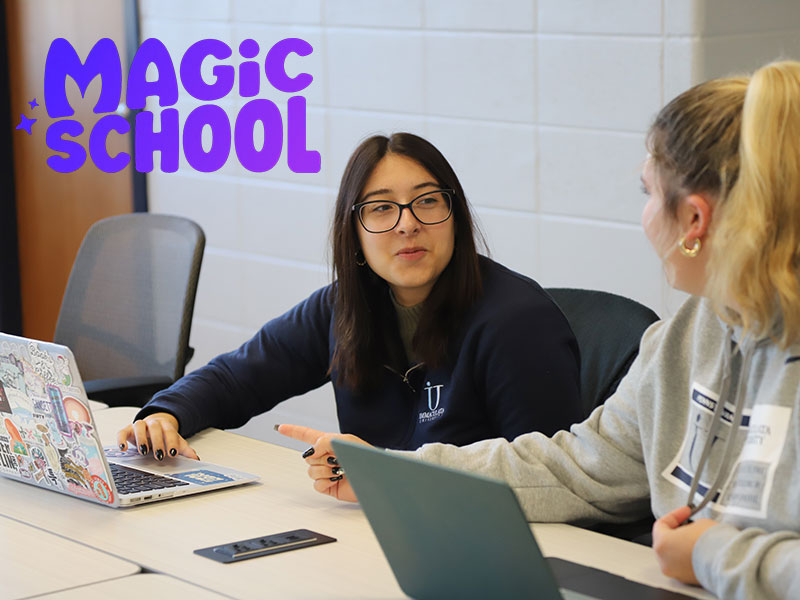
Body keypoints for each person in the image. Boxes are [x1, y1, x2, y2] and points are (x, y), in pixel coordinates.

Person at [278, 61, 800, 599]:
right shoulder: (686, 337)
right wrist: (389, 476)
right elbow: (577, 468)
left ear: (693, 221)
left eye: (648, 193)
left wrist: (714, 555)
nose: (644, 216)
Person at [118, 132, 582, 461]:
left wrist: (387, 475)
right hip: (380, 524)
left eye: (427, 201)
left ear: (455, 216)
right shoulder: (343, 308)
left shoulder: (517, 322)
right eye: (381, 208)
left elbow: (545, 477)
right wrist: (166, 414)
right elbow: (237, 378)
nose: (407, 223)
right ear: (353, 234)